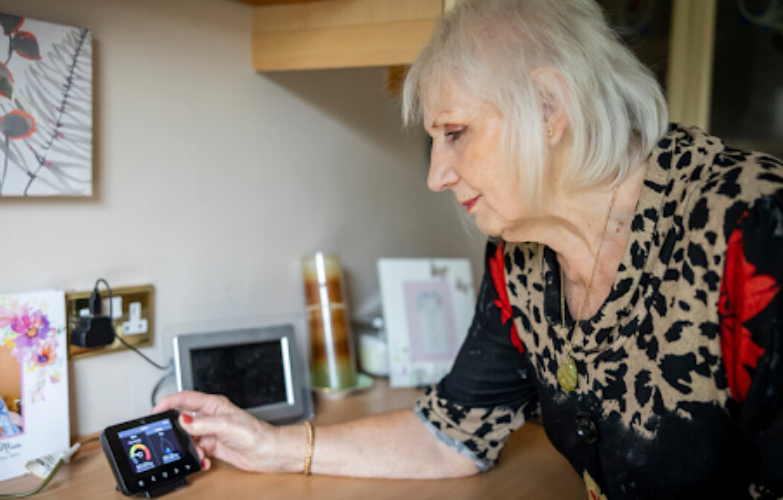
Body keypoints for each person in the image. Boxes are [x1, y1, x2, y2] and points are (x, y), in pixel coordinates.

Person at [154, 0, 783, 497]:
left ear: (549, 106)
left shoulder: (752, 229)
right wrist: (275, 446)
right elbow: (453, 435)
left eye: (455, 134)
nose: (437, 176)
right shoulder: (522, 256)